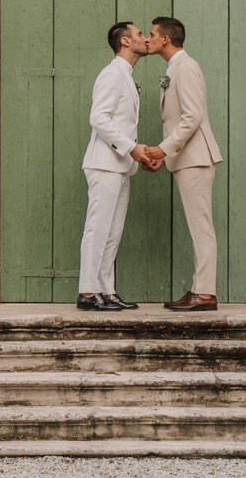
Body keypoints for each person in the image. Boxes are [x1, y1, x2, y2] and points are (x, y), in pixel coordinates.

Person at [134, 15, 221, 311]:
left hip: (196, 158)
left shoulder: (187, 67)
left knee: (201, 225)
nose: (147, 38)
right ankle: (201, 289)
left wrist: (162, 148)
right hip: (185, 158)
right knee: (198, 225)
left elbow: (193, 117)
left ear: (165, 39)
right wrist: (167, 155)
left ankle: (205, 293)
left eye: (151, 34)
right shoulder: (175, 67)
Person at [78, 21, 149, 310]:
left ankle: (106, 289)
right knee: (98, 228)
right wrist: (132, 147)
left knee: (113, 230)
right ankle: (87, 292)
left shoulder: (126, 75)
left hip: (120, 165)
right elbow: (99, 118)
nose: (145, 39)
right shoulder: (111, 74)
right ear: (125, 42)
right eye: (140, 34)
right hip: (105, 164)